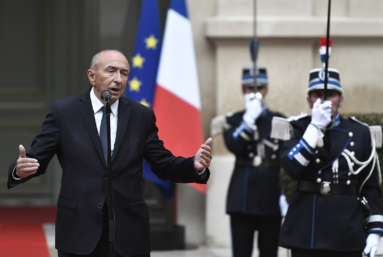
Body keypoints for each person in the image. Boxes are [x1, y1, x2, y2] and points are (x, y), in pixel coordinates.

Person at [7, 50, 213, 257]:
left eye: (124, 73)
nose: (118, 79)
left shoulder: (141, 116)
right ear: (92, 76)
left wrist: (193, 165)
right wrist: (20, 170)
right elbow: (36, 159)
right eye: (111, 71)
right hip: (79, 229)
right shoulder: (64, 112)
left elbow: (163, 163)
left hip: (129, 231)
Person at [271, 67, 383, 257]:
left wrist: (374, 230)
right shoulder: (296, 128)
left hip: (346, 229)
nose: (324, 101)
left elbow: (370, 186)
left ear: (341, 100)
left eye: (330, 95)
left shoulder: (360, 132)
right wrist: (314, 127)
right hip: (307, 231)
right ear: (309, 100)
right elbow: (292, 168)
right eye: (317, 95)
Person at [218, 66, 288, 257]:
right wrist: (248, 120)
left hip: (271, 194)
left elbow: (286, 158)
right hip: (243, 196)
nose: (254, 93)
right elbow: (234, 145)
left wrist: (286, 192)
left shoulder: (280, 121)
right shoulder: (234, 120)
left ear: (266, 90)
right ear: (243, 90)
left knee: (269, 252)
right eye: (249, 88)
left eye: (259, 88)